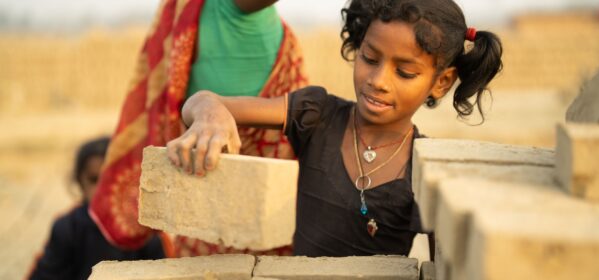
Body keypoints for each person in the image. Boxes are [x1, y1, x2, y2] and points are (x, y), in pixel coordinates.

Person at [166, 0, 503, 257]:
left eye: (405, 73)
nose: (378, 80)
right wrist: (210, 112)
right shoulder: (317, 114)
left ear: (441, 83)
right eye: (370, 59)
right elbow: (201, 101)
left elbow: (443, 265)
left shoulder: (424, 167)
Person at [89, 0, 307, 256]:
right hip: (204, 194)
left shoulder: (227, 11)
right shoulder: (195, 10)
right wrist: (206, 109)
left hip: (268, 207)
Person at [28, 137, 164, 280]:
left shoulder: (141, 230)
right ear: (80, 182)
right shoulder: (67, 228)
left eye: (110, 179)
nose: (102, 190)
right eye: (94, 180)